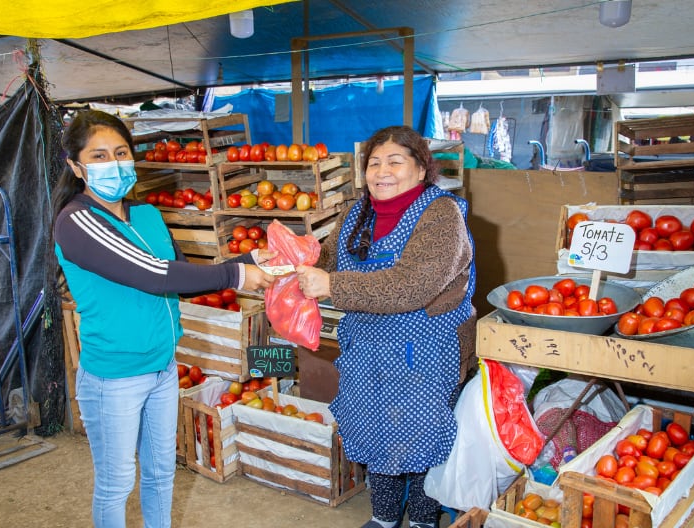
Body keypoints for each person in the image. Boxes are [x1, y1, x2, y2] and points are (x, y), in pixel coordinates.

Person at [51, 110, 275, 528]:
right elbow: (152, 275)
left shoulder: (148, 216)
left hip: (163, 368)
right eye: (98, 156)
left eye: (120, 152)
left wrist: (250, 258)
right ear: (76, 166)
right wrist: (239, 273)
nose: (113, 163)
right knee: (117, 483)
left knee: (160, 473)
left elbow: (182, 274)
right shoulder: (77, 222)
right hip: (114, 377)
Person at [295, 125, 476, 528]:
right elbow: (330, 259)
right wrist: (297, 267)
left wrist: (332, 285)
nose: (382, 172)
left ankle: (425, 519)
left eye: (395, 161)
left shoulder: (441, 214)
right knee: (374, 424)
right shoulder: (357, 213)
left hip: (425, 348)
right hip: (366, 345)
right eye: (374, 163)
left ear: (420, 168)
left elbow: (412, 285)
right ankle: (385, 516)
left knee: (423, 433)